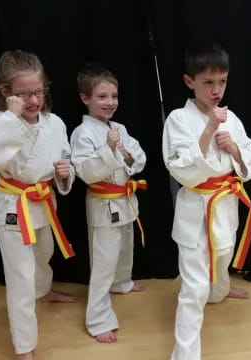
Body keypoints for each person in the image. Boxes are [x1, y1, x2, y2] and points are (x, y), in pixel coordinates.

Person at [0, 50, 76, 360]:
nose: (34, 100)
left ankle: (44, 292)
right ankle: (24, 347)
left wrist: (65, 172)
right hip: (13, 204)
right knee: (20, 276)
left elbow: (65, 155)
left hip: (44, 200)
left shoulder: (54, 122)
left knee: (44, 254)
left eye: (39, 91)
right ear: (6, 93)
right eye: (24, 94)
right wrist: (11, 120)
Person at [162, 43, 251, 360]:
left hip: (225, 204)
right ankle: (185, 355)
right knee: (194, 289)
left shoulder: (232, 119)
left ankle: (220, 290)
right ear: (190, 81)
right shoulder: (178, 119)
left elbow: (250, 162)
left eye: (222, 82)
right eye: (208, 83)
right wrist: (208, 130)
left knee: (222, 258)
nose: (217, 90)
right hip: (196, 206)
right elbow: (180, 169)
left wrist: (234, 151)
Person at [70, 63, 147, 344]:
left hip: (125, 198)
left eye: (114, 96)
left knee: (125, 249)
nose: (110, 102)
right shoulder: (83, 132)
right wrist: (109, 148)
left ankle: (121, 282)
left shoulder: (120, 128)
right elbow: (85, 171)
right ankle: (98, 318)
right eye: (102, 97)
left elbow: (138, 157)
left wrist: (125, 155)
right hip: (103, 202)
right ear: (85, 98)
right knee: (103, 261)